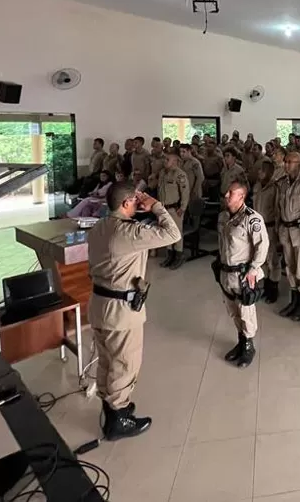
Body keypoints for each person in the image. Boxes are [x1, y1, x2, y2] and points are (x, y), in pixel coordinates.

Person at [87, 183, 181, 440]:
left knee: (107, 360)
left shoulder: (98, 228)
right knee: (124, 365)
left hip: (98, 305)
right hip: (121, 313)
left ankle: (111, 408)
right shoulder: (129, 233)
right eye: (133, 200)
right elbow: (173, 234)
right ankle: (118, 420)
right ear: (128, 203)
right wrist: (156, 206)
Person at [215, 179, 268, 369]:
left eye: (231, 193)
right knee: (233, 311)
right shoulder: (223, 216)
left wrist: (254, 269)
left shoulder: (251, 218)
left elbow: (262, 246)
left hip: (243, 274)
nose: (226, 195)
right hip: (226, 272)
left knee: (246, 311)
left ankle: (248, 346)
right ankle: (240, 340)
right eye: (226, 192)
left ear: (241, 196)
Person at [277, 151, 300, 321]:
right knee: (289, 267)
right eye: (285, 161)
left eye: (289, 162)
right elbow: (278, 207)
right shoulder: (282, 183)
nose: (286, 165)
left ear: (299, 164)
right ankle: (294, 301)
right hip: (286, 230)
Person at [252, 158, 283, 303]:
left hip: (270, 227)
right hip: (258, 227)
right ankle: (264, 286)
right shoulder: (257, 186)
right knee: (261, 258)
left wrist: (277, 231)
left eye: (262, 170)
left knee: (273, 260)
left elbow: (277, 210)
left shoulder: (275, 187)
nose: (259, 172)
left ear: (268, 173)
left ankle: (273, 289)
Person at [155, 151, 190, 269]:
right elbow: (159, 190)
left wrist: (183, 207)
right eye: (164, 159)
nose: (165, 161)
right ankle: (169, 255)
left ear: (175, 161)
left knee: (177, 232)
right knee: (167, 231)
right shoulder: (162, 173)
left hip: (175, 209)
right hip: (163, 208)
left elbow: (185, 193)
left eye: (167, 160)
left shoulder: (180, 174)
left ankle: (179, 255)